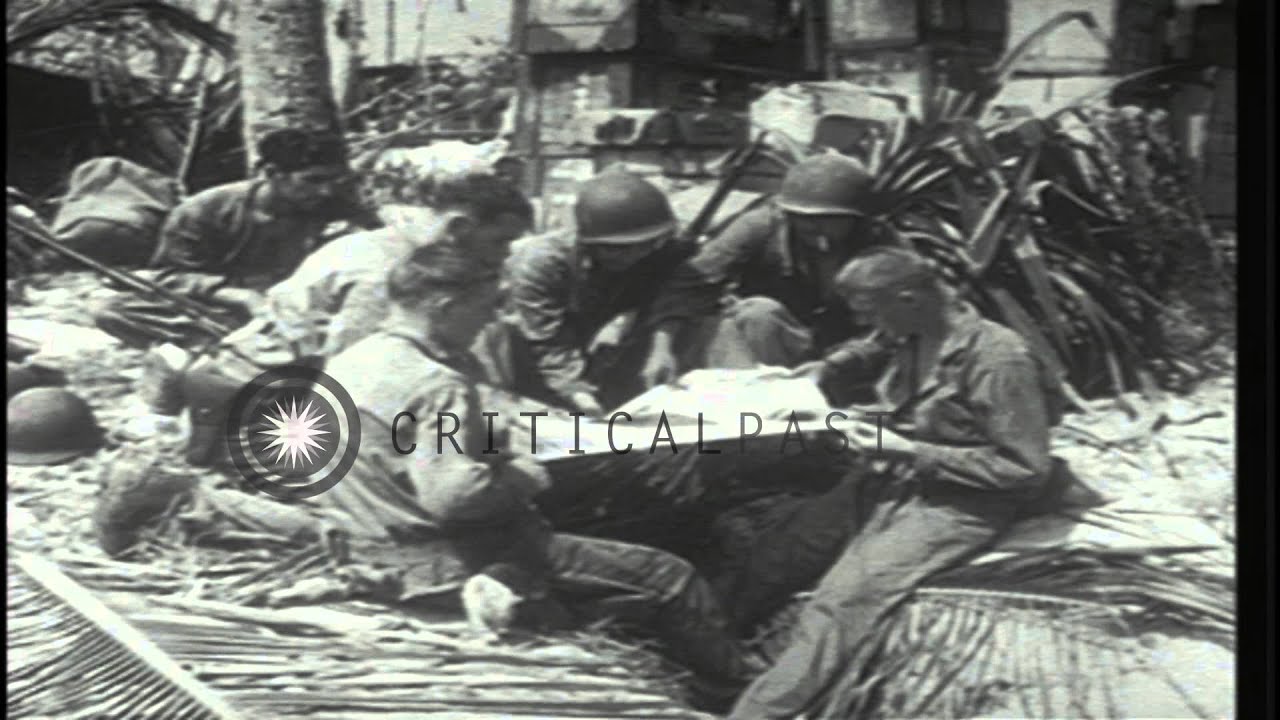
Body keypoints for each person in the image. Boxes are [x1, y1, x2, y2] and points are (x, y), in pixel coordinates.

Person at [315, 242, 759, 700]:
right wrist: (526, 474)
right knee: (669, 577)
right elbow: (454, 496)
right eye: (485, 308)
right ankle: (743, 694)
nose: (491, 321)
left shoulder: (353, 360)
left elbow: (427, 439)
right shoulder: (436, 385)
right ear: (446, 306)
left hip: (365, 547)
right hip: (439, 562)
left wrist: (521, 428)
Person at [722, 246, 1068, 719]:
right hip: (895, 476)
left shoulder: (997, 359)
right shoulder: (914, 331)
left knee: (844, 599)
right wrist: (846, 394)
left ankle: (757, 712)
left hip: (963, 504)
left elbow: (1024, 467)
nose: (872, 326)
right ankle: (715, 669)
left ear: (909, 299)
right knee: (781, 551)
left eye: (872, 312)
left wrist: (909, 451)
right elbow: (891, 370)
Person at [179, 171, 532, 466]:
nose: (503, 255)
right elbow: (352, 377)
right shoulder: (383, 272)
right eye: (500, 241)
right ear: (459, 227)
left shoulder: (393, 247)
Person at [474, 169, 766, 416]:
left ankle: (757, 414)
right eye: (617, 249)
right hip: (534, 360)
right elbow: (547, 341)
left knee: (714, 326)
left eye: (645, 245)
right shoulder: (542, 263)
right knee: (497, 339)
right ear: (588, 242)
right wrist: (578, 394)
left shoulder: (665, 251)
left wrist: (662, 345)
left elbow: (678, 301)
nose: (633, 255)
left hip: (605, 355)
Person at [655, 152, 896, 403]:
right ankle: (768, 404)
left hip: (849, 351)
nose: (814, 228)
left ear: (855, 219)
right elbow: (691, 282)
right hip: (776, 342)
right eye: (804, 219)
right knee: (758, 313)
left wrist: (836, 363)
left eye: (829, 220)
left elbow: (897, 320)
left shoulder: (880, 242)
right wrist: (661, 348)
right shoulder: (761, 226)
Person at [91, 128, 354, 349]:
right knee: (114, 310)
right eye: (313, 180)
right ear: (273, 173)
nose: (326, 190)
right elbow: (170, 275)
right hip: (225, 307)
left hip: (301, 308)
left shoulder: (336, 206)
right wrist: (241, 296)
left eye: (335, 180)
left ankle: (234, 346)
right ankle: (231, 344)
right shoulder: (206, 210)